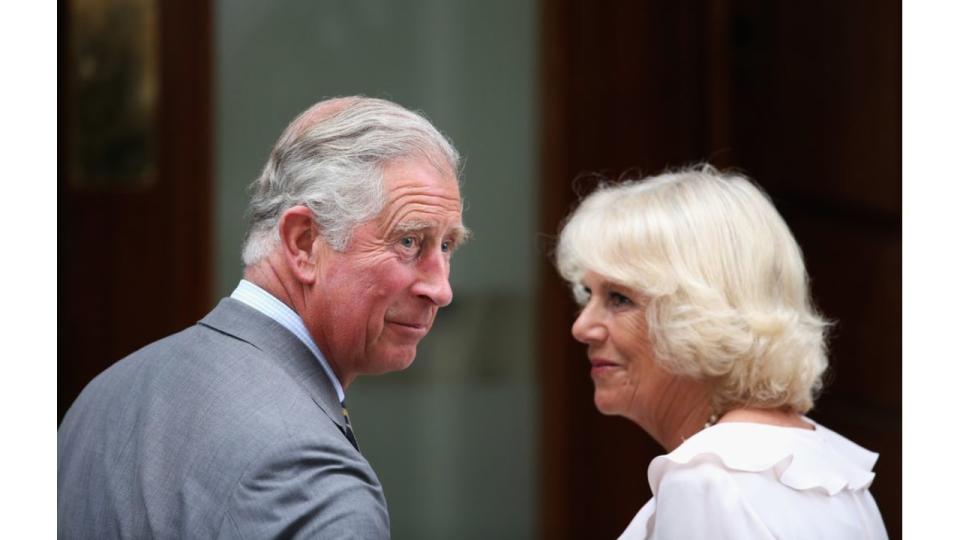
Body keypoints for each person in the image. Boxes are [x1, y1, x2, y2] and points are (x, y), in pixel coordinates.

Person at [58, 96, 469, 539]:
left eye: (447, 246)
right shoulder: (306, 478)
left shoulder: (106, 393)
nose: (441, 289)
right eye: (409, 242)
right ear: (304, 242)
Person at [555, 165, 888, 539]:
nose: (581, 327)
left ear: (701, 313)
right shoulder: (825, 464)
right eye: (587, 294)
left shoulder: (707, 481)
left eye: (619, 298)